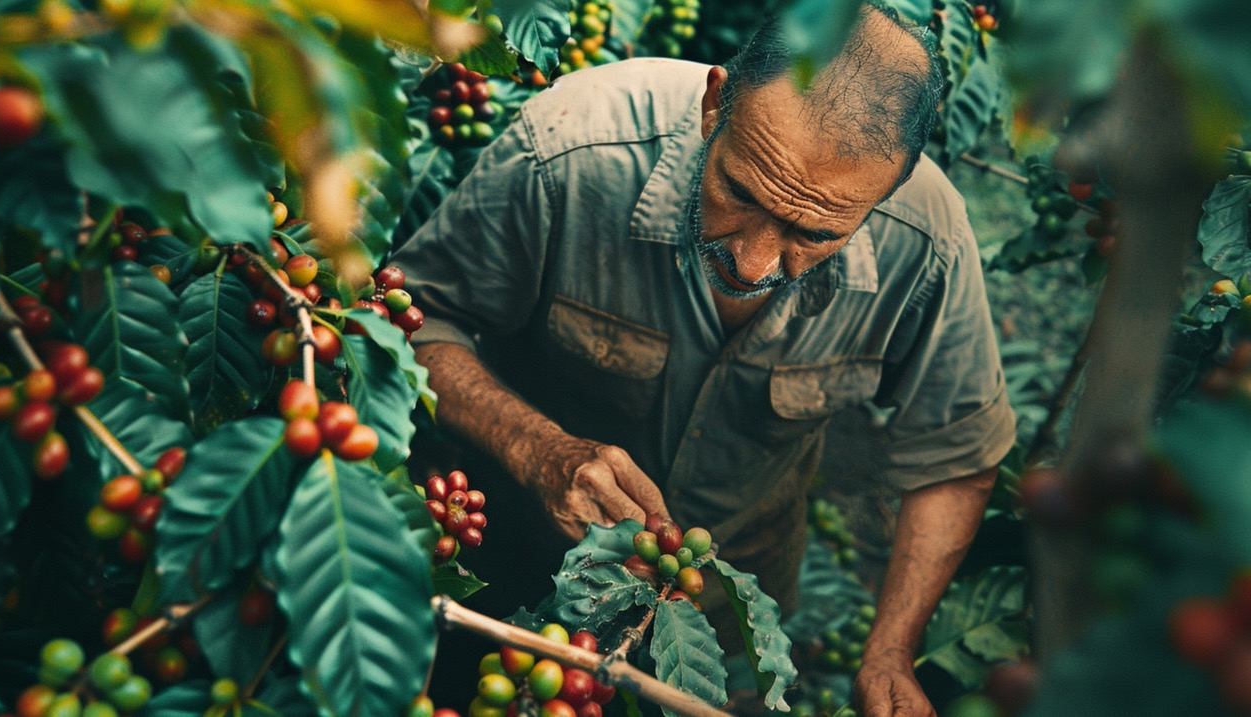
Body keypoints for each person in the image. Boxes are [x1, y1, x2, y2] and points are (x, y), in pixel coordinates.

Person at [395, 4, 1014, 715]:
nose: (752, 265)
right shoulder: (571, 150)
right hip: (507, 560)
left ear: (890, 188)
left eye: (812, 233)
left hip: (725, 612)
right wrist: (536, 447)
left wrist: (891, 649)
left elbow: (958, 451)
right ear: (715, 102)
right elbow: (414, 320)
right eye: (739, 192)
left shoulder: (926, 242)